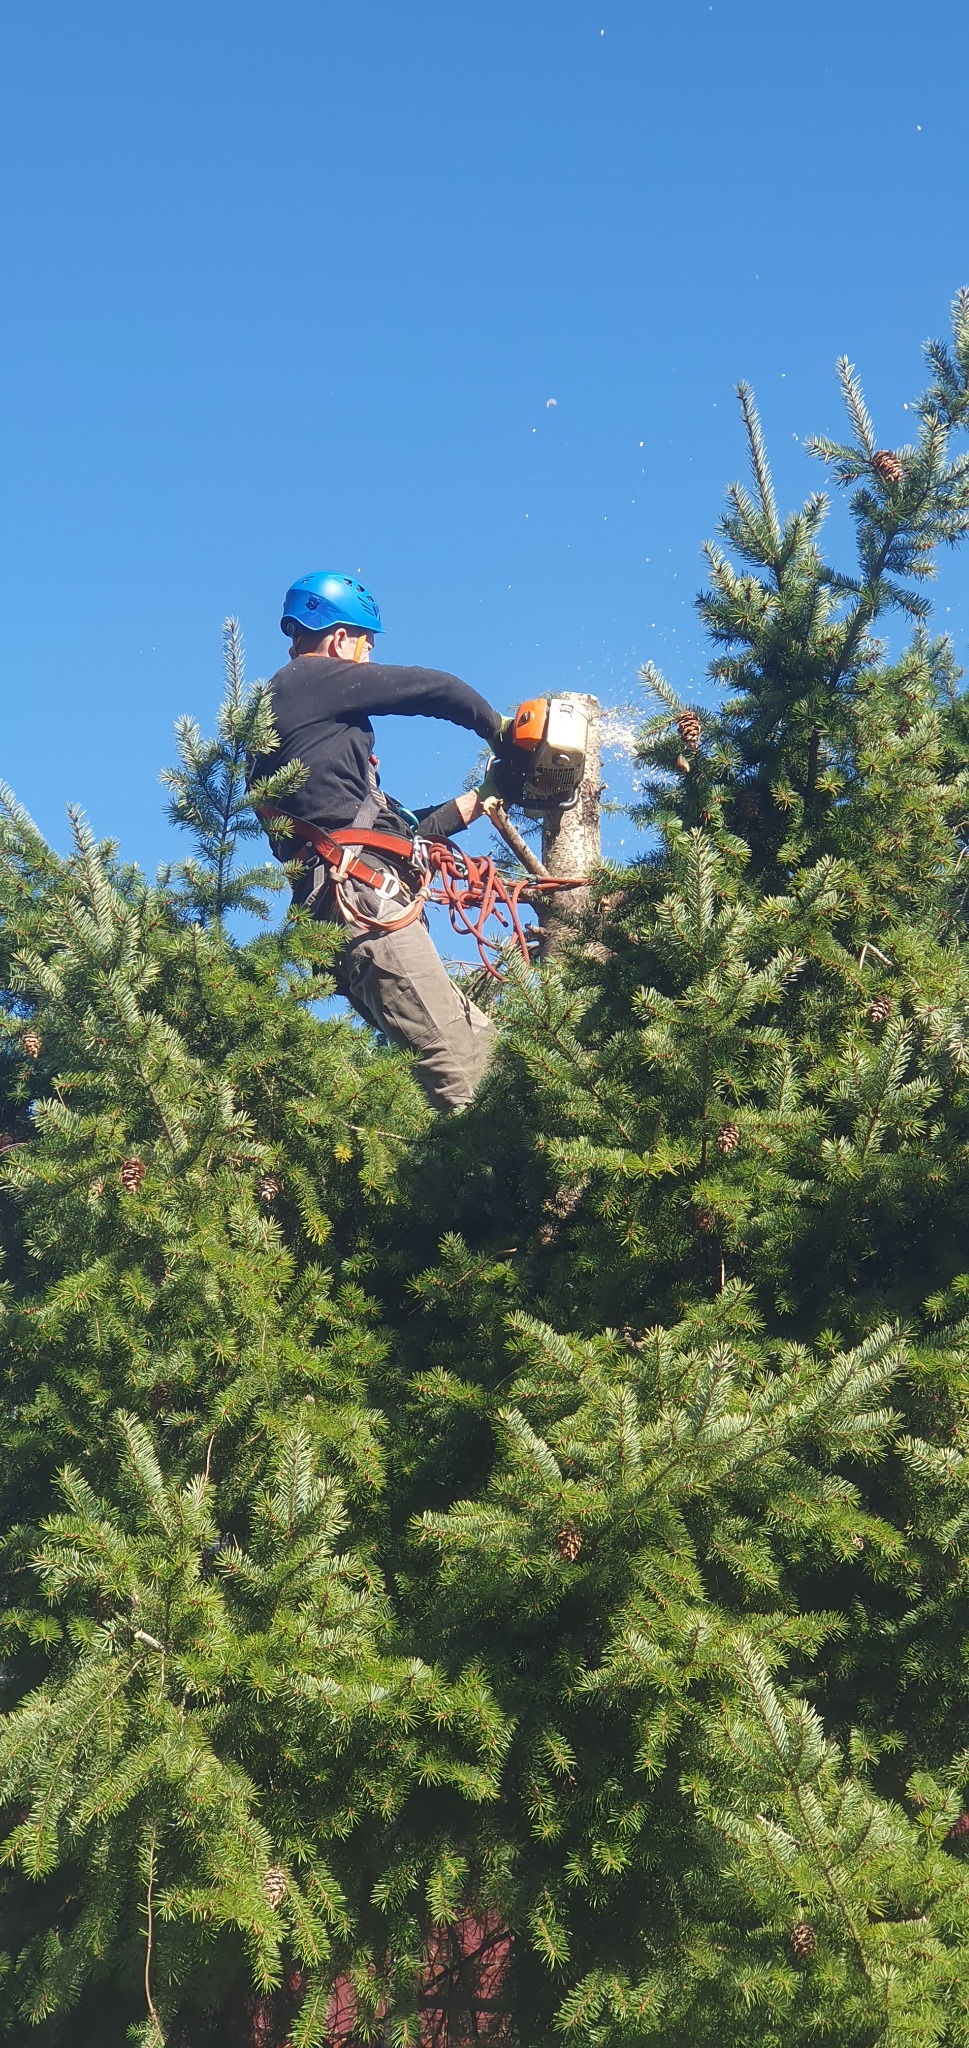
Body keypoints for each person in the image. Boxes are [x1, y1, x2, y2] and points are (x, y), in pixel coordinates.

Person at [250, 570, 520, 1113]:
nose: (368, 660)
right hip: (364, 907)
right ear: (337, 637)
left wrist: (486, 795)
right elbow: (434, 688)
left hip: (350, 903)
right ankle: (504, 1192)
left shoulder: (309, 738)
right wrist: (500, 729)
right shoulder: (304, 679)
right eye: (365, 644)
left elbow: (397, 832)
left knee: (492, 1058)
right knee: (465, 1085)